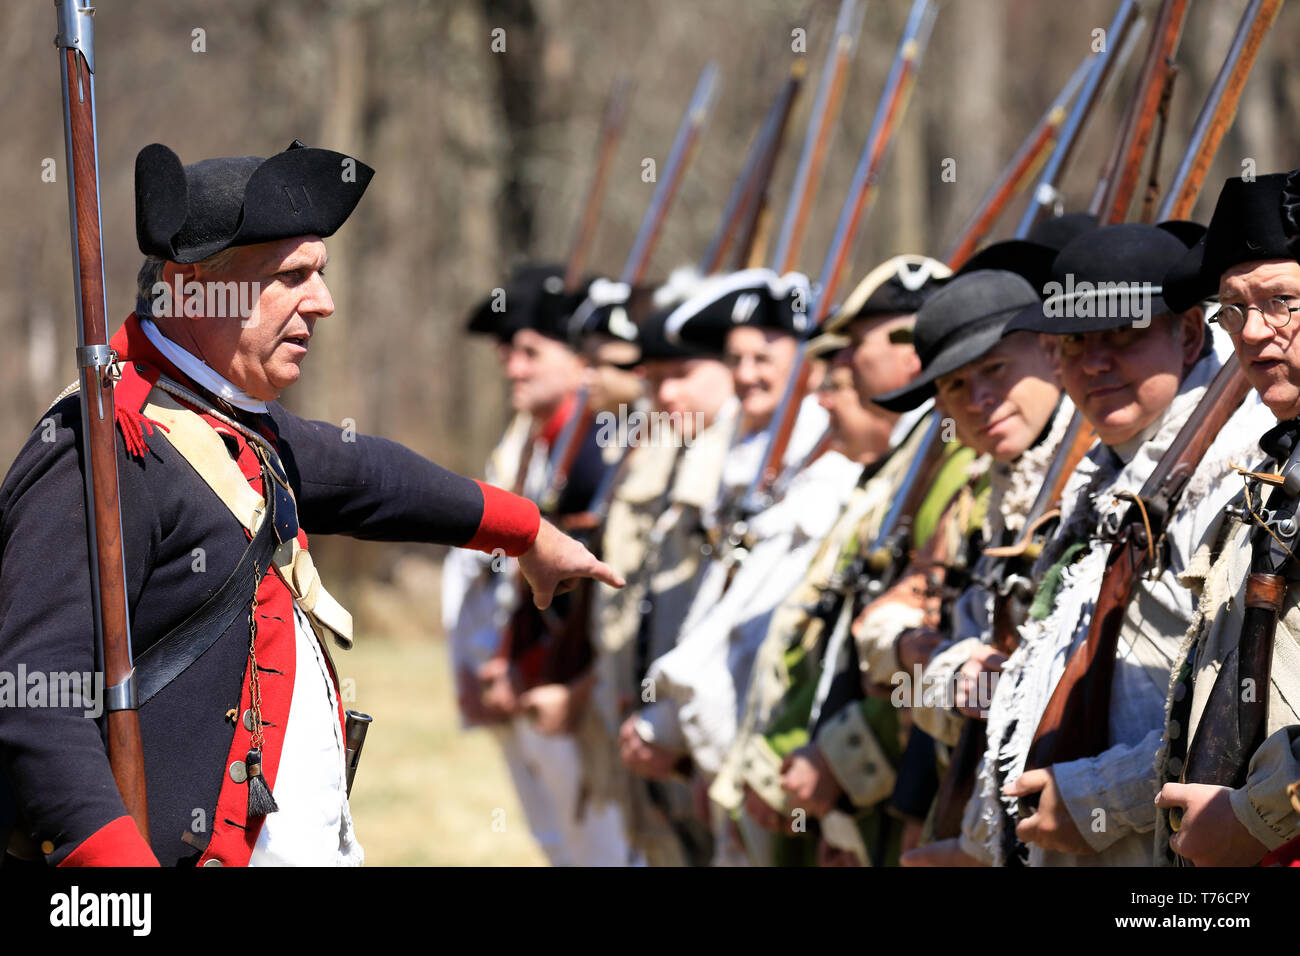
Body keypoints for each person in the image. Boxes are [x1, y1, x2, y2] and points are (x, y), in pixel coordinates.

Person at [0, 141, 619, 868]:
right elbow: (36, 700)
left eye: (318, 275)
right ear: (193, 287)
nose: (322, 303)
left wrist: (525, 532)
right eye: (292, 277)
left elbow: (369, 477)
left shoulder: (225, 423)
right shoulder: (100, 450)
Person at [958, 222, 1270, 866]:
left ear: (1186, 334)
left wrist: (1097, 798)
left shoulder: (1238, 471)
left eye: (1122, 336)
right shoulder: (1103, 476)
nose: (1095, 362)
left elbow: (1251, 716)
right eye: (1075, 342)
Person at [1154, 170, 1300, 866]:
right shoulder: (1272, 469)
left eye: (1282, 302)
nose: (1254, 333)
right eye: (1234, 310)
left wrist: (1255, 817)